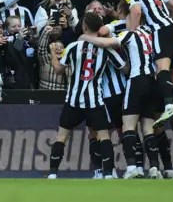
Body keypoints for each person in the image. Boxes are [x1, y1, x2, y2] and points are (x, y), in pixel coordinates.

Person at [47, 12, 126, 179]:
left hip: (74, 100)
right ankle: (107, 174)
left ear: (84, 27)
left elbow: (59, 70)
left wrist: (54, 53)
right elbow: (124, 67)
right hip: (94, 100)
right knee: (103, 136)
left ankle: (53, 173)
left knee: (61, 136)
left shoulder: (73, 47)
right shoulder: (106, 48)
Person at [119, 0, 173, 129]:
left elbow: (136, 11)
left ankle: (169, 106)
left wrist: (133, 34)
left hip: (160, 30)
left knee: (161, 68)